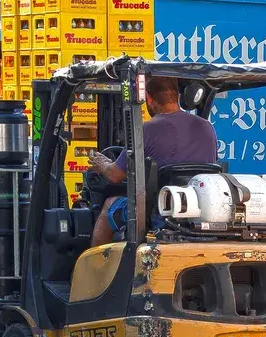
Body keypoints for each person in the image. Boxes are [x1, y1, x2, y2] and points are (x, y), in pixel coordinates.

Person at [87, 76, 218, 246]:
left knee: (109, 206)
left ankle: (96, 269)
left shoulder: (146, 130)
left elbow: (115, 176)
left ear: (148, 98)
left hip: (161, 211)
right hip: (201, 209)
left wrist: (103, 165)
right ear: (177, 96)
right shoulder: (207, 127)